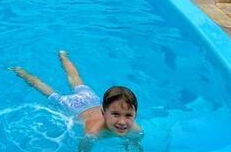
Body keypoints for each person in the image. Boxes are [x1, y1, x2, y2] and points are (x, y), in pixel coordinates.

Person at [10, 50, 141, 139]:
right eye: (115, 114)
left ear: (135, 115)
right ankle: (21, 72)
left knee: (75, 78)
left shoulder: (135, 129)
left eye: (129, 115)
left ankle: (63, 56)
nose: (122, 122)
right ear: (103, 112)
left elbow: (135, 143)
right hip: (74, 106)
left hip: (91, 100)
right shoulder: (93, 133)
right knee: (46, 90)